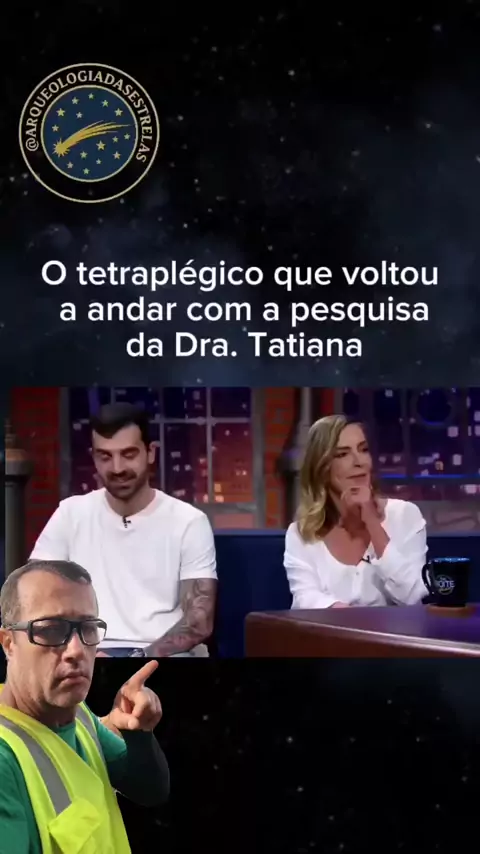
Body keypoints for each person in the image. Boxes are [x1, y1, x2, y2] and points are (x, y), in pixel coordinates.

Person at [0, 559, 170, 854]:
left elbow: (149, 790)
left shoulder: (79, 716)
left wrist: (139, 733)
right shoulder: (5, 761)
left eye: (88, 628)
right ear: (8, 643)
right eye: (51, 630)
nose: (76, 650)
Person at [29, 402, 218, 657]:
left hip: (159, 654)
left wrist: (137, 659)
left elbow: (199, 622)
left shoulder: (189, 521)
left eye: (128, 454)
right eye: (105, 457)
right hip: (84, 651)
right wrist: (79, 648)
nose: (117, 468)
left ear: (150, 452)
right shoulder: (70, 514)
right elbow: (33, 596)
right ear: (94, 457)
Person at [284, 415, 428, 608]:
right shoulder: (302, 533)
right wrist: (348, 618)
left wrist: (372, 522)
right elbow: (305, 599)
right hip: (330, 628)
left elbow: (412, 596)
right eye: (342, 454)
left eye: (363, 450)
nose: (359, 461)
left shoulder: (405, 516)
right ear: (322, 468)